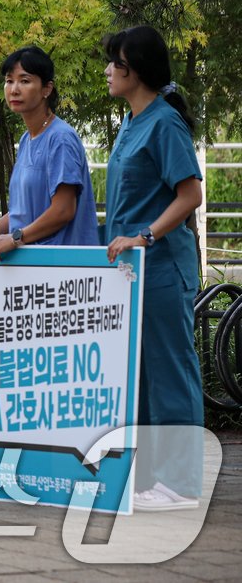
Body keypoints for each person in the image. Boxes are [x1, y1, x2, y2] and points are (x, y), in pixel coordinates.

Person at [101, 26, 204, 511]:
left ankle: (181, 485)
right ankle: (148, 478)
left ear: (134, 69)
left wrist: (144, 236)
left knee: (170, 373)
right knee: (139, 376)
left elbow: (190, 195)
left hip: (161, 267)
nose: (106, 70)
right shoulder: (130, 120)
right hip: (132, 273)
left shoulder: (164, 123)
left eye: (113, 63)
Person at [0, 47, 98, 263]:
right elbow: (20, 215)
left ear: (47, 89)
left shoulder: (60, 138)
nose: (14, 89)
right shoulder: (28, 139)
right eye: (9, 81)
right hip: (31, 269)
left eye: (25, 81)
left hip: (63, 271)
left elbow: (63, 210)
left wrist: (17, 238)